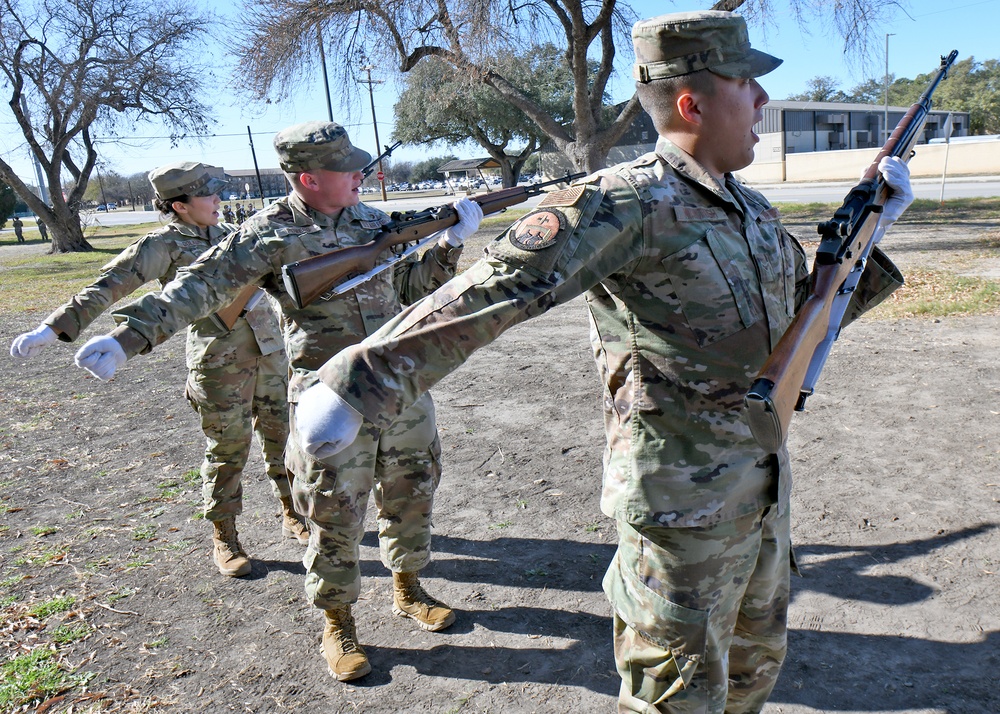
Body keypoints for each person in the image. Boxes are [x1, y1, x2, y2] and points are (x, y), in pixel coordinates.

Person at [290, 12, 913, 712]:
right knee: (671, 698)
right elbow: (499, 286)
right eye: (748, 83)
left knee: (750, 676)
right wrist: (358, 382)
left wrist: (870, 233)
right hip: (678, 519)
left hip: (762, 497)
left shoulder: (755, 212)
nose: (764, 100)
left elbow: (802, 327)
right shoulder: (628, 201)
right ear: (693, 103)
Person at [71, 122, 484, 682]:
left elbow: (411, 289)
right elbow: (199, 286)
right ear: (310, 178)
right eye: (349, 168)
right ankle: (337, 622)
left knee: (412, 486)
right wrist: (128, 337)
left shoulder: (377, 222)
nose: (361, 174)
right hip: (328, 392)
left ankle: (408, 587)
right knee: (334, 507)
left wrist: (450, 244)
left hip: (400, 380)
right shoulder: (266, 234)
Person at [10, 161, 306, 579]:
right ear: (179, 205)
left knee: (284, 439)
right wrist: (55, 326)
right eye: (209, 194)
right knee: (228, 452)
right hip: (220, 365)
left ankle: (292, 512)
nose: (219, 199)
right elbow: (110, 284)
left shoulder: (231, 237)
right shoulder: (160, 246)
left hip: (272, 355)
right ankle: (225, 536)